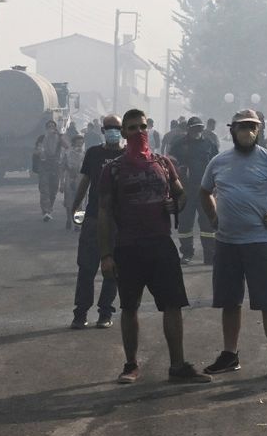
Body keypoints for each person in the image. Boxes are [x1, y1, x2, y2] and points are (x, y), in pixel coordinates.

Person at [96, 107, 210, 385]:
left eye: (142, 127)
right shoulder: (112, 170)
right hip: (128, 247)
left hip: (161, 245)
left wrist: (175, 204)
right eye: (132, 128)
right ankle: (131, 365)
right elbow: (104, 213)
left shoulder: (163, 163)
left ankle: (178, 365)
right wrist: (106, 254)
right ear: (124, 133)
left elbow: (181, 194)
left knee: (173, 305)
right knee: (129, 307)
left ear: (149, 129)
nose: (138, 132)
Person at [199, 109, 267, 380]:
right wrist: (214, 216)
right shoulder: (219, 161)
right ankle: (230, 354)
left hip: (259, 242)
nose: (247, 131)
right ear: (232, 130)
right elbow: (204, 191)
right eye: (242, 126)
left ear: (259, 130)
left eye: (252, 126)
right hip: (227, 243)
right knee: (229, 302)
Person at [67, 114, 124, 328]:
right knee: (86, 268)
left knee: (113, 269)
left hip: (118, 221)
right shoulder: (93, 153)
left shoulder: (127, 155)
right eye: (109, 128)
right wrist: (75, 204)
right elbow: (86, 180)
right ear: (102, 131)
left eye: (116, 128)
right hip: (93, 217)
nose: (113, 131)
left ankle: (105, 312)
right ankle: (80, 313)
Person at [172, 116, 219, 264]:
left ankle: (210, 255)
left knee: (207, 223)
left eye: (200, 127)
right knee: (185, 223)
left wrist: (216, 185)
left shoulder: (209, 144)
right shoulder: (179, 145)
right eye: (194, 128)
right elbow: (170, 164)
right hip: (185, 191)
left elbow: (217, 165)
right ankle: (187, 253)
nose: (197, 130)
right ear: (188, 129)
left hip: (205, 190)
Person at [31, 114, 64, 221]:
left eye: (53, 126)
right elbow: (36, 151)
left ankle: (50, 207)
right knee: (44, 189)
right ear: (46, 128)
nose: (51, 128)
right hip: (44, 166)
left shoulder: (59, 138)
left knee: (53, 189)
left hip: (55, 166)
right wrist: (40, 153)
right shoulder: (41, 138)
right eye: (49, 127)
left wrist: (59, 135)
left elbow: (67, 146)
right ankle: (46, 211)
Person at [61, 125, 85, 231]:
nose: (79, 145)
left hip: (81, 180)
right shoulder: (67, 154)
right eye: (78, 143)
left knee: (80, 202)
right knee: (69, 203)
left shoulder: (85, 154)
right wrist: (61, 183)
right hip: (69, 179)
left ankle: (77, 223)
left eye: (81, 143)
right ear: (73, 143)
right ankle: (68, 219)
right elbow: (62, 168)